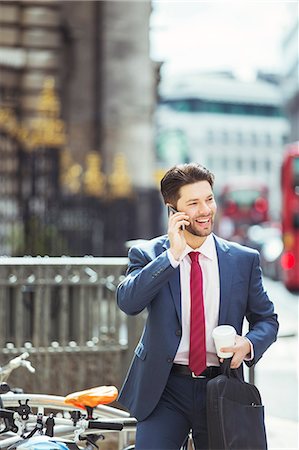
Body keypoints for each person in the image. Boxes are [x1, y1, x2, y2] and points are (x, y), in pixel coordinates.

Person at [117, 163, 278, 450]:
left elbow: (267, 320)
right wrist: (173, 256)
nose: (205, 210)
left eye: (209, 199)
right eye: (193, 203)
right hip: (164, 389)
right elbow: (128, 302)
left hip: (221, 387)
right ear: (173, 210)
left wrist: (248, 345)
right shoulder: (149, 254)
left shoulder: (243, 260)